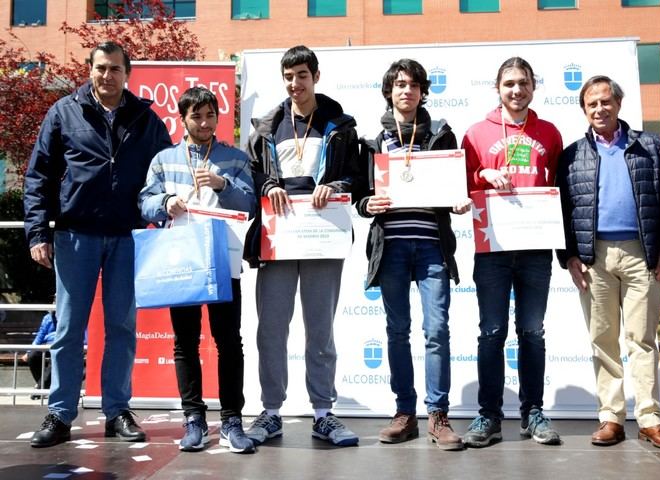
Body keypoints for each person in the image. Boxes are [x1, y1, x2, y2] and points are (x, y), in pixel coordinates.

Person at [23, 41, 172, 448]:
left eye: (115, 70)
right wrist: (37, 232)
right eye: (100, 68)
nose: (107, 76)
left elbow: (169, 170)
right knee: (69, 329)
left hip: (128, 236)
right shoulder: (63, 112)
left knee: (122, 327)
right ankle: (60, 413)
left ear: (128, 73)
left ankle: (117, 411)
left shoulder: (145, 118)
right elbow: (38, 177)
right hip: (74, 235)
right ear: (89, 70)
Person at [556, 75, 660, 451]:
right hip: (593, 256)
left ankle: (649, 419)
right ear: (584, 110)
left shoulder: (650, 146)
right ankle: (611, 418)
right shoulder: (571, 155)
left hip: (641, 253)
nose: (600, 109)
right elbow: (562, 210)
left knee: (642, 340)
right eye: (592, 104)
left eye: (606, 101)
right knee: (603, 341)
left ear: (618, 104)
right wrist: (569, 255)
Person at [243, 45, 361, 446]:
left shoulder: (340, 125)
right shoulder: (266, 128)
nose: (296, 84)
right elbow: (251, 175)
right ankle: (271, 411)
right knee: (271, 329)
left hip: (322, 236)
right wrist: (269, 184)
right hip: (277, 237)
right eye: (289, 77)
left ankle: (323, 414)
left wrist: (337, 186)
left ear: (316, 76)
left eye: (302, 76)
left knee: (320, 329)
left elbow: (355, 178)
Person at [356, 59, 471, 451]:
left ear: (423, 91)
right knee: (397, 330)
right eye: (399, 84)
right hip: (390, 246)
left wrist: (457, 202)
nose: (406, 90)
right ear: (389, 91)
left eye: (413, 85)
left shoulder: (441, 134)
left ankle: (438, 415)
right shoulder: (372, 140)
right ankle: (404, 412)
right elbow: (359, 194)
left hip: (430, 246)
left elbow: (456, 187)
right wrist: (366, 204)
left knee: (436, 330)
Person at [138, 87, 257, 453]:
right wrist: (166, 202)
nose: (204, 123)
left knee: (228, 341)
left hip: (222, 259)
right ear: (182, 119)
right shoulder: (163, 159)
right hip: (181, 262)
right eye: (196, 117)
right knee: (185, 342)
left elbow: (250, 203)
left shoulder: (234, 158)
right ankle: (194, 420)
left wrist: (222, 185)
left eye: (210, 116)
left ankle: (233, 420)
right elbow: (144, 203)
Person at [461, 57, 563, 448]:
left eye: (523, 83)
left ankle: (532, 413)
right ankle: (488, 415)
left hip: (535, 249)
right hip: (494, 248)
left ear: (533, 86)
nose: (516, 90)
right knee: (491, 332)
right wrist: (481, 175)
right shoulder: (475, 134)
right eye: (509, 84)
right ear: (497, 87)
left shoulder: (549, 133)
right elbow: (459, 187)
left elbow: (558, 188)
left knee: (532, 333)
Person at [22, 311, 57, 398]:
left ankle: (40, 388)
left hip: (61, 344)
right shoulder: (48, 317)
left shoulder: (68, 316)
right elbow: (40, 335)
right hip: (47, 344)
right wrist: (29, 351)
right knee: (32, 357)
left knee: (55, 358)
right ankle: (43, 385)